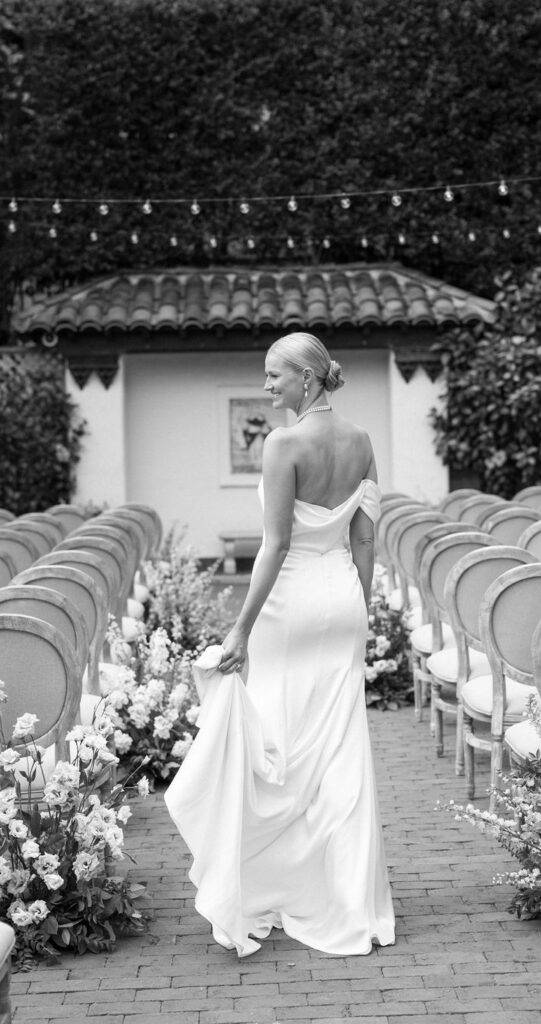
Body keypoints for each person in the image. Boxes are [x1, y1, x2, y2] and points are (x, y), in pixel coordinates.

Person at [165, 331, 395, 957]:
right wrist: (361, 606)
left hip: (289, 608)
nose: (267, 386)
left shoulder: (284, 444)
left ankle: (279, 878)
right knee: (341, 748)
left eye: (274, 376)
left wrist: (238, 628)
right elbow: (366, 541)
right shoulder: (362, 442)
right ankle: (349, 901)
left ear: (309, 378)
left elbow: (275, 545)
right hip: (343, 597)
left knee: (280, 742)